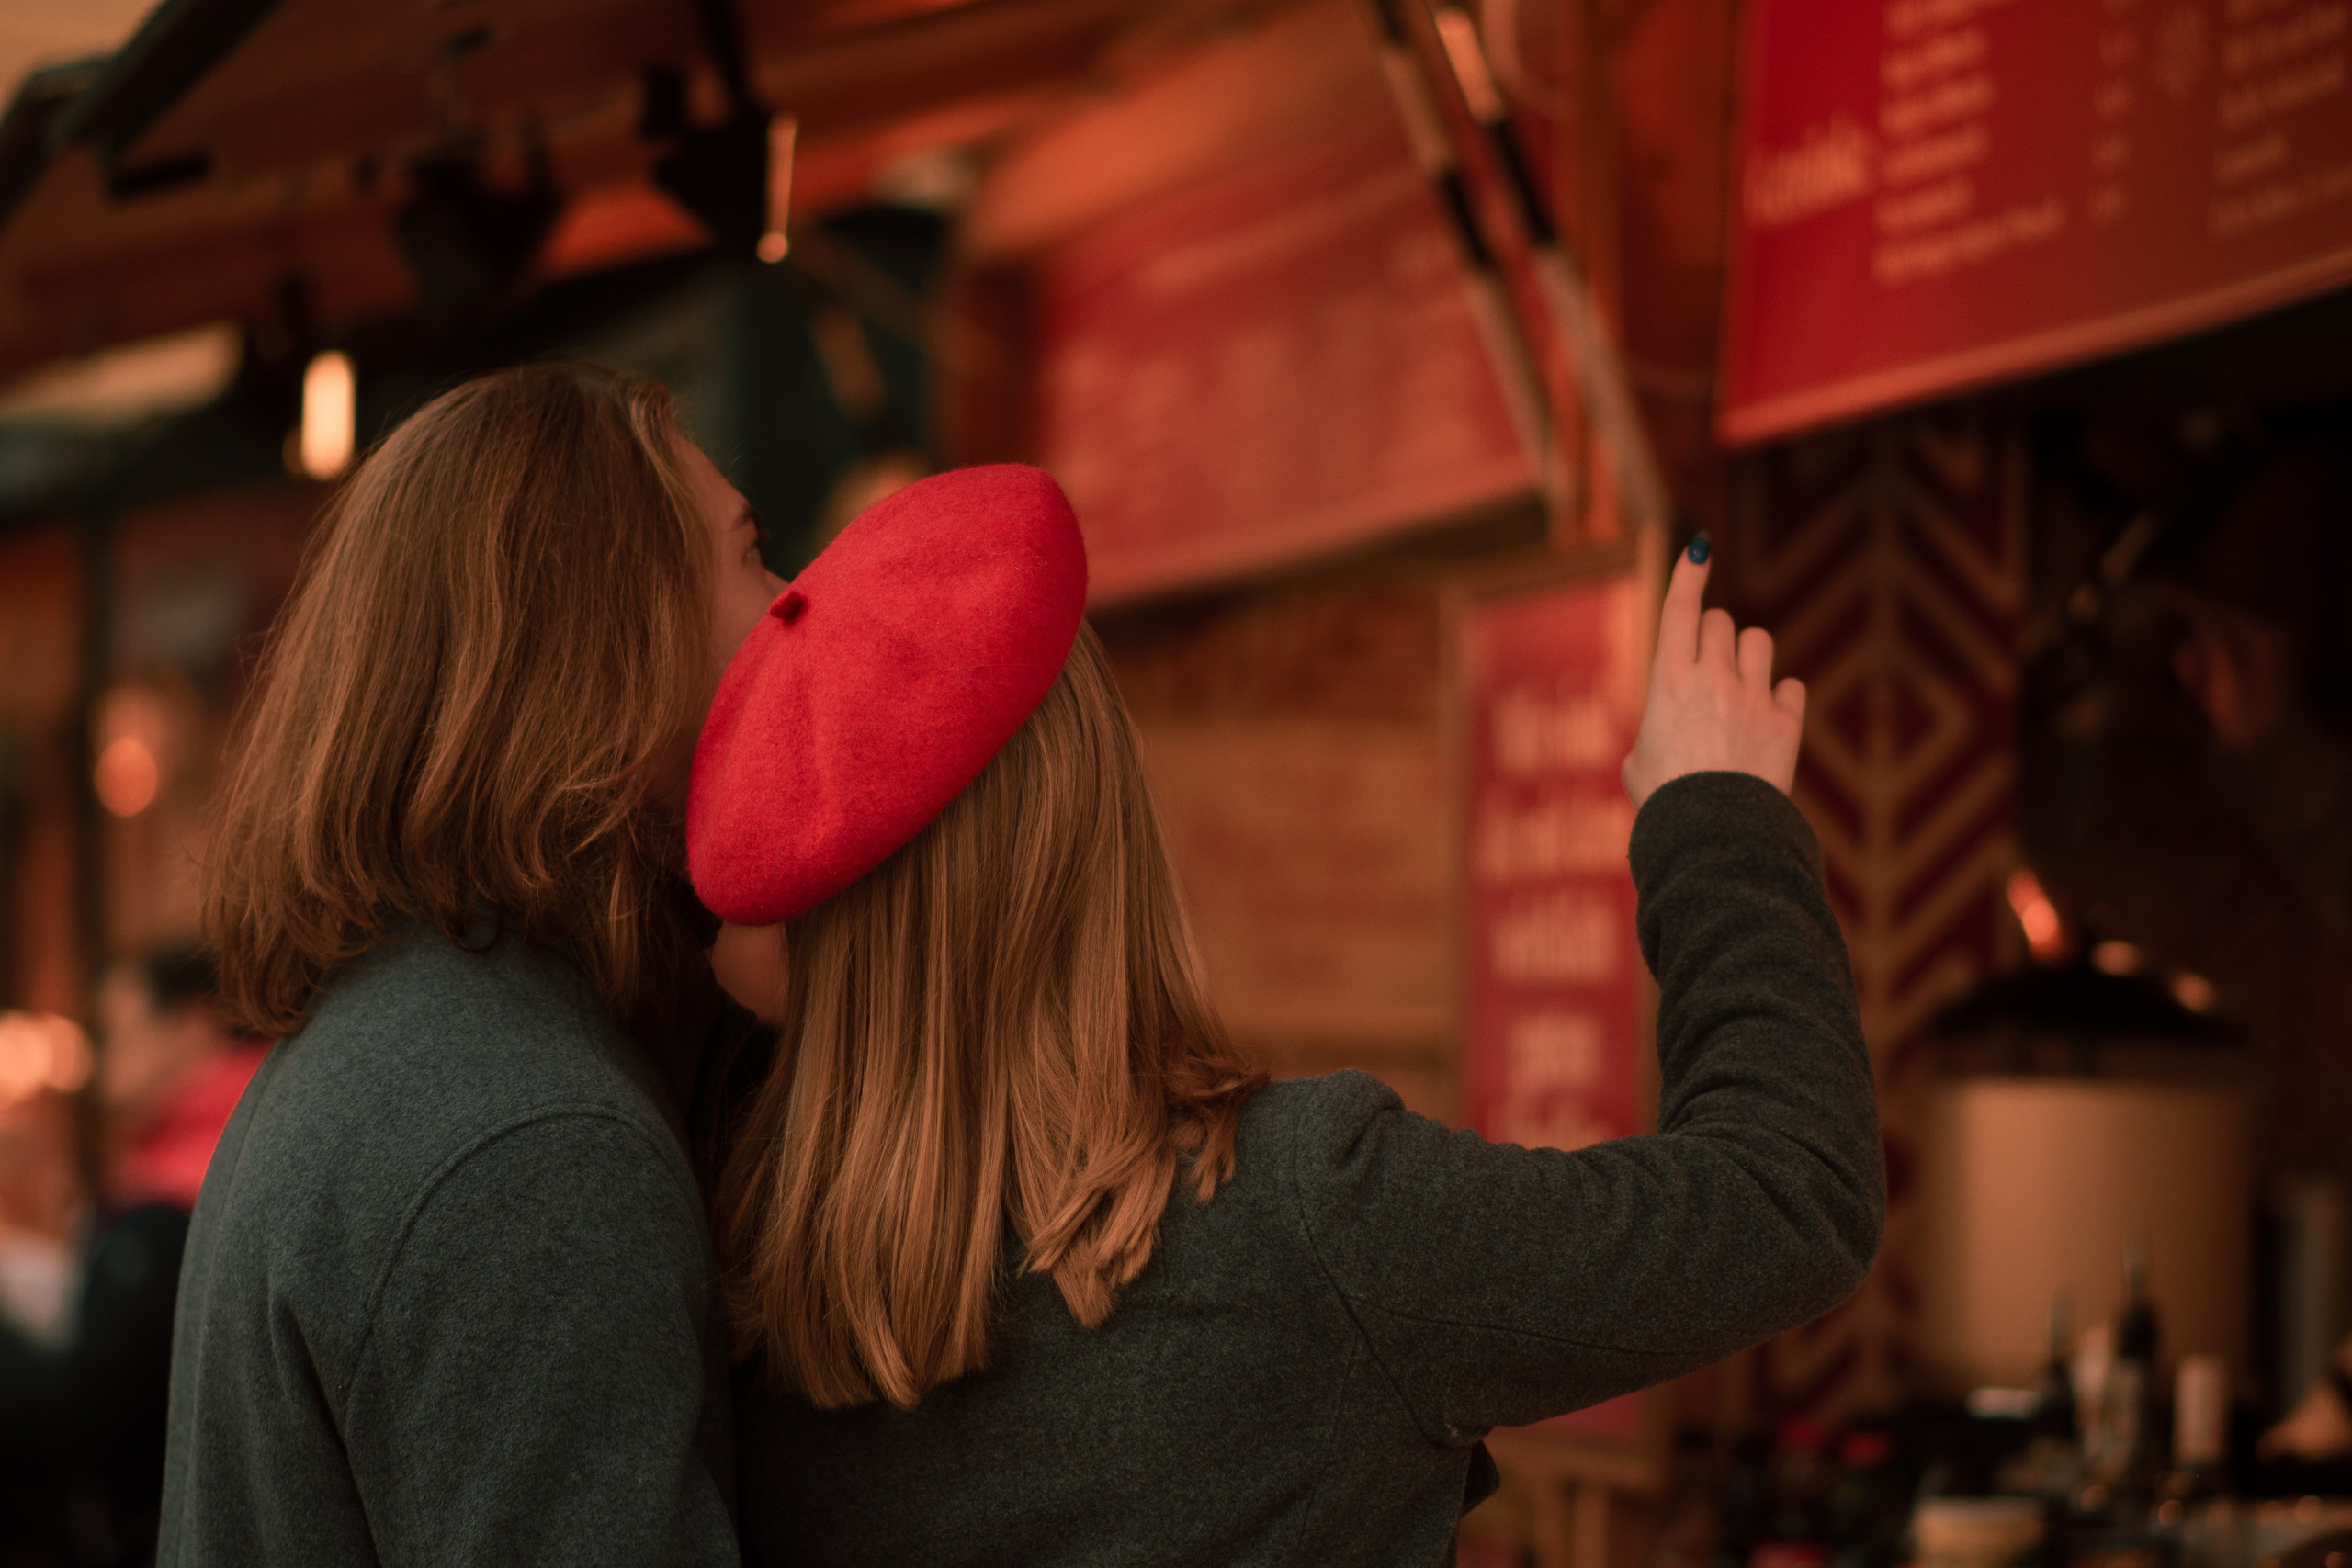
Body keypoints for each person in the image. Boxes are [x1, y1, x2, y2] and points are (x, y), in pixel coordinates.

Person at [687, 467, 1884, 1566]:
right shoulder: (1308, 1219)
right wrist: (1713, 816)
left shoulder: (732, 1275)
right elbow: (1785, 1194)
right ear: (1091, 826)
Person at [161, 363, 784, 1566]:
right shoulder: (533, 1136)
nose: (793, 602)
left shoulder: (406, 1037)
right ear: (612, 635)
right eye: (751, 555)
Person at [0, 948, 265, 1566]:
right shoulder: (225, 1146)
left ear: (194, 1026)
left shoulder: (185, 1188)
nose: (102, 1058)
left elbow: (92, 1410)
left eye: (119, 1031)